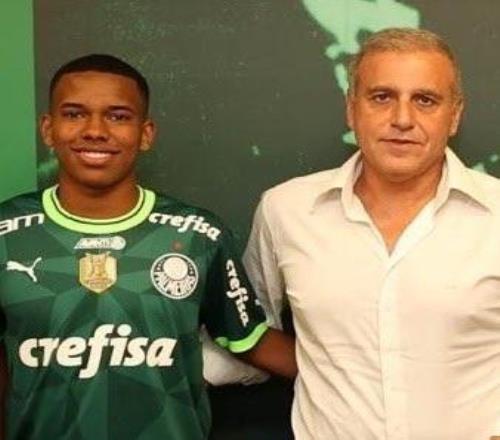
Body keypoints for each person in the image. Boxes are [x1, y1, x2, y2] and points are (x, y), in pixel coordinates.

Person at [0, 54, 296, 440]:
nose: (95, 130)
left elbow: (251, 340)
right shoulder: (6, 233)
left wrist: (359, 375)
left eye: (118, 116)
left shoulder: (199, 235)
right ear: (47, 128)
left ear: (146, 133)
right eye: (74, 114)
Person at [243, 28, 500, 439]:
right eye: (382, 97)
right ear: (351, 109)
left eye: (425, 100)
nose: (402, 119)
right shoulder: (285, 210)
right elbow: (249, 328)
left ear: (454, 115)